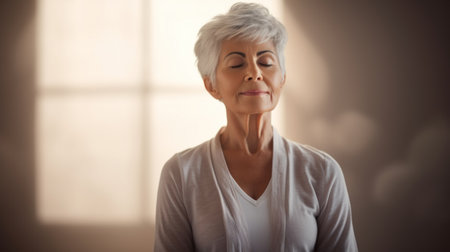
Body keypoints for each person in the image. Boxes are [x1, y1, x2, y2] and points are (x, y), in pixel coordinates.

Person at [154, 2, 358, 251]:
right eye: (236, 64)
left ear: (282, 78)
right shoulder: (181, 174)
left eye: (266, 62)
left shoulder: (323, 172)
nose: (254, 73)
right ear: (211, 85)